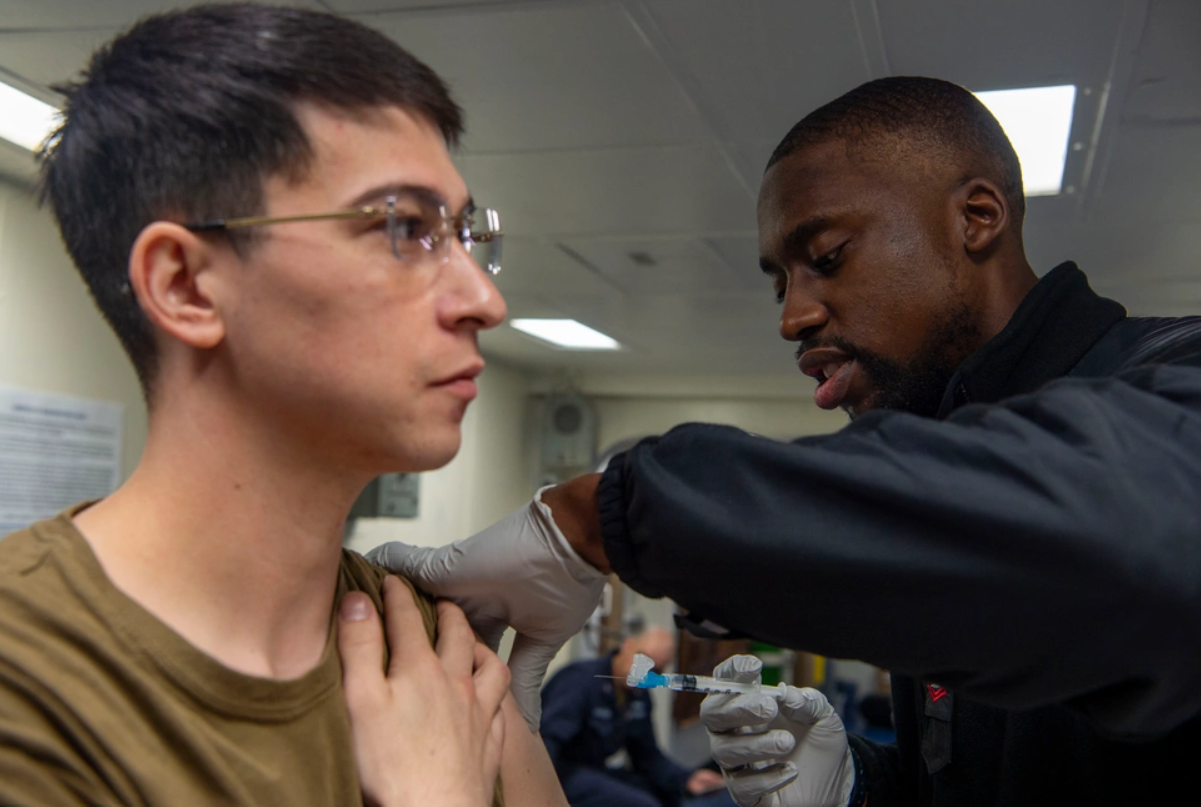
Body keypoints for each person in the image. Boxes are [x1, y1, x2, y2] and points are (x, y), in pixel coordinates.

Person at [373, 76, 1201, 806]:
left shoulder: (1171, 374)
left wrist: (602, 515)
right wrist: (854, 790)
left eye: (827, 258)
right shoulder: (933, 460)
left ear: (975, 218)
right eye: (780, 281)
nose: (791, 316)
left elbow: (1131, 550)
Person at [0, 5, 566, 806]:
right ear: (187, 285)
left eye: (463, 234)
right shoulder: (30, 685)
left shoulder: (422, 640)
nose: (483, 299)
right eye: (403, 226)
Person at [539, 627, 731, 807]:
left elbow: (646, 755)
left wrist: (686, 778)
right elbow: (546, 743)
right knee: (642, 804)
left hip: (595, 770)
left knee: (668, 796)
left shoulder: (639, 696)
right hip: (557, 770)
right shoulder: (580, 681)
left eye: (655, 670)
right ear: (627, 644)